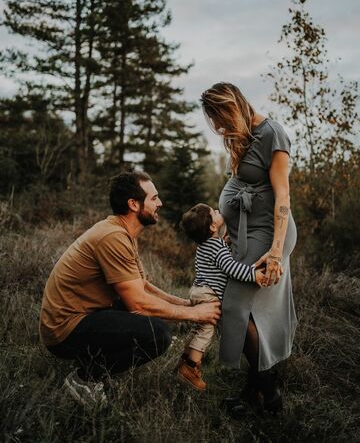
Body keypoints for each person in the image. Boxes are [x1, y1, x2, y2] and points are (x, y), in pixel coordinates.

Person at [39, 171, 221, 410]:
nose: (160, 203)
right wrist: (197, 315)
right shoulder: (113, 236)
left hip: (85, 315)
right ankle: (85, 378)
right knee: (157, 336)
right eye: (154, 198)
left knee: (145, 317)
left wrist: (184, 305)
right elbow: (138, 303)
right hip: (64, 330)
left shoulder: (123, 232)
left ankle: (92, 363)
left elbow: (142, 285)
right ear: (134, 204)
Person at [201, 82, 297, 415]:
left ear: (233, 106)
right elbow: (242, 184)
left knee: (233, 307)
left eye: (222, 119)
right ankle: (255, 389)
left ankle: (269, 394)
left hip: (271, 233)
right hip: (245, 233)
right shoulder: (240, 135)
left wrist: (274, 251)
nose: (221, 129)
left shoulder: (273, 134)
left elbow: (282, 196)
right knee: (246, 311)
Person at [177, 203, 267, 391]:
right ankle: (191, 369)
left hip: (198, 290)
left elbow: (218, 258)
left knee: (198, 328)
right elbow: (232, 269)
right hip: (209, 295)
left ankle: (185, 360)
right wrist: (254, 275)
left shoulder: (204, 244)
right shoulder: (216, 247)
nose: (218, 212)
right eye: (214, 212)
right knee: (206, 331)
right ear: (212, 227)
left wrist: (223, 243)